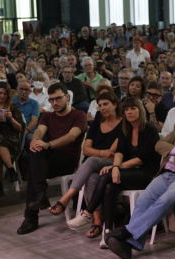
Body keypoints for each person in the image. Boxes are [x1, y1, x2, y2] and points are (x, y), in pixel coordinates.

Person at [105, 97, 175, 259]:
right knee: (143, 201)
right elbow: (159, 146)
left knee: (163, 202)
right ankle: (129, 244)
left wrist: (170, 156)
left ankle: (126, 233)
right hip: (166, 174)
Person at [67, 97, 160, 247]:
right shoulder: (126, 128)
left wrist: (117, 168)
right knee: (109, 188)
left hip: (146, 174)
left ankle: (87, 212)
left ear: (140, 110)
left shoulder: (150, 130)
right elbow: (119, 152)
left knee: (105, 175)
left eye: (133, 108)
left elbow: (141, 159)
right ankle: (107, 232)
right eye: (126, 109)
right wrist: (116, 166)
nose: (129, 112)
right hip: (127, 173)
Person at [48, 89, 122, 239]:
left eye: (106, 104)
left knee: (91, 161)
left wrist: (98, 154)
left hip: (115, 163)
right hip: (97, 162)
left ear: (115, 104)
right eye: (99, 105)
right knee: (92, 177)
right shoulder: (96, 124)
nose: (102, 108)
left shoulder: (123, 124)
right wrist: (101, 153)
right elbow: (86, 149)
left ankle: (66, 199)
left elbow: (112, 152)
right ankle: (97, 221)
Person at [17, 82, 87, 235]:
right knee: (35, 156)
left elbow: (71, 137)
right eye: (51, 100)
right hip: (46, 160)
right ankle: (40, 196)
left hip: (67, 160)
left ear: (67, 97)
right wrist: (36, 141)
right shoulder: (48, 116)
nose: (54, 103)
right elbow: (39, 131)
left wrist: (47, 145)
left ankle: (31, 217)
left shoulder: (79, 115)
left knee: (33, 166)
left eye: (58, 99)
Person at [12, 79, 40, 152]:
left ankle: (32, 163)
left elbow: (34, 121)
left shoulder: (34, 103)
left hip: (28, 132)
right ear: (17, 89)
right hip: (13, 131)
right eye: (21, 89)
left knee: (31, 140)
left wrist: (24, 132)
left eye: (26, 90)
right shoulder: (11, 102)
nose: (23, 92)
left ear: (30, 91)